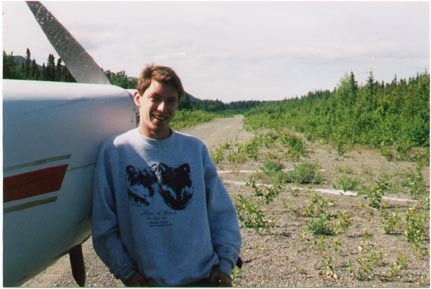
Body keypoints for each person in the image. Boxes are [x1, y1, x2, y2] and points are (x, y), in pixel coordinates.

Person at [92, 64, 242, 287]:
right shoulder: (115, 151)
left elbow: (221, 213)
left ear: (178, 104)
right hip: (147, 282)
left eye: (170, 101)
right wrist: (127, 273)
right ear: (138, 98)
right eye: (155, 98)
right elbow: (104, 225)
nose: (162, 108)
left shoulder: (194, 150)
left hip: (201, 278)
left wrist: (225, 264)